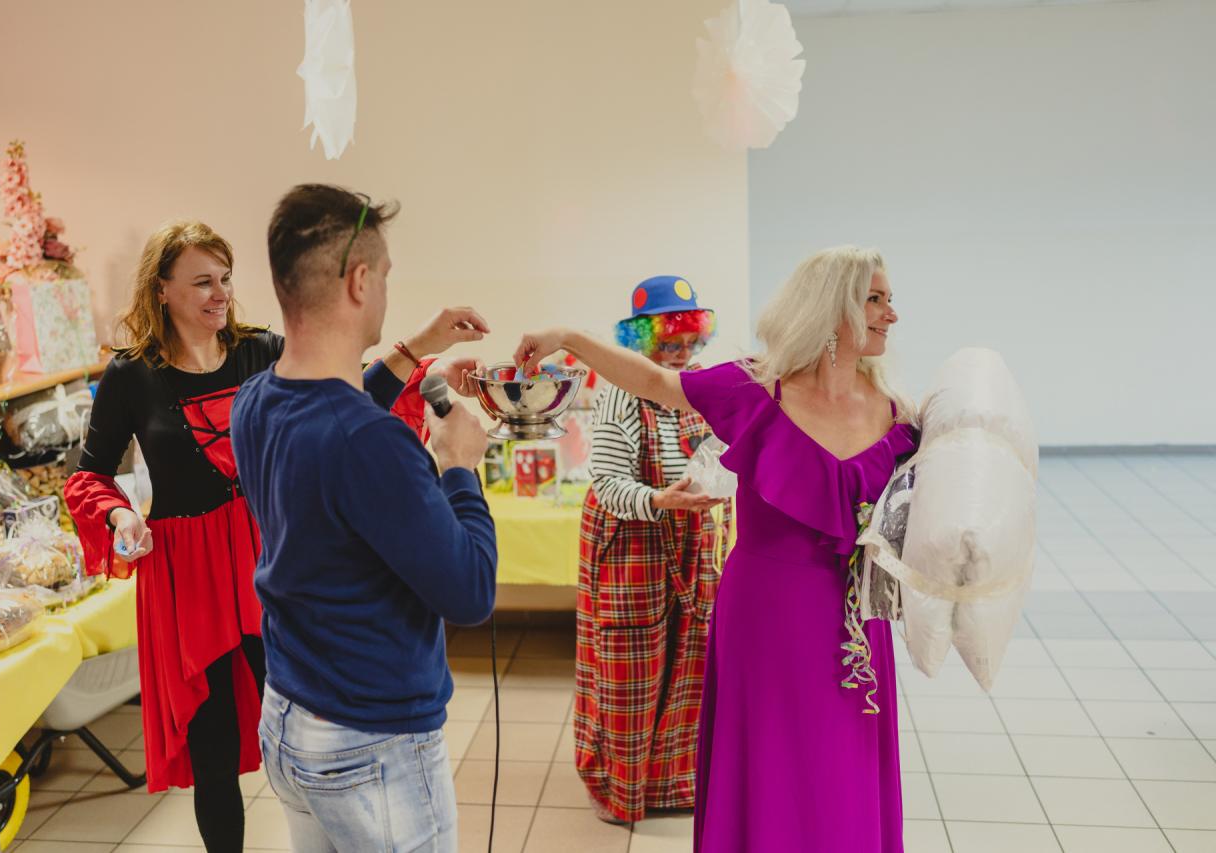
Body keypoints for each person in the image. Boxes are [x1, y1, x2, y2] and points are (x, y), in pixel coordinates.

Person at [64, 219, 484, 851]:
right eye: (202, 282)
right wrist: (121, 515)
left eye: (225, 278)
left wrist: (428, 345)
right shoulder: (132, 374)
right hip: (187, 576)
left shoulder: (260, 351)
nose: (220, 294)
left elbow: (348, 394)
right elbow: (88, 474)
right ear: (161, 289)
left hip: (267, 556)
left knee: (301, 720)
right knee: (212, 749)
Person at [515, 247, 914, 851]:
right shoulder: (754, 387)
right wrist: (569, 337)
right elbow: (656, 383)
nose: (891, 314)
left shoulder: (897, 412)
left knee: (843, 762)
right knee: (769, 758)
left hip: (854, 621)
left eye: (888, 299)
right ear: (834, 310)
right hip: (765, 612)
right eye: (875, 300)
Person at [231, 184, 497, 852]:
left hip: (290, 715)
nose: (382, 289)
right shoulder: (371, 442)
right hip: (370, 743)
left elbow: (338, 409)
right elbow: (470, 592)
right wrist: (460, 465)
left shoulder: (257, 398)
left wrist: (421, 345)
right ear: (358, 281)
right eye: (383, 275)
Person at [576, 275, 727, 825]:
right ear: (642, 341)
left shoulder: (697, 387)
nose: (681, 355)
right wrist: (661, 500)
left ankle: (673, 784)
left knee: (690, 662)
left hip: (688, 545)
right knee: (629, 673)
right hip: (630, 549)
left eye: (690, 342)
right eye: (669, 344)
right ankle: (620, 791)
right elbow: (607, 485)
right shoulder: (620, 392)